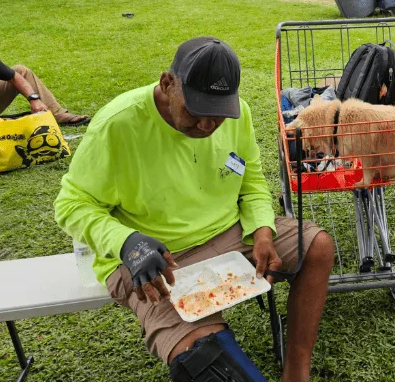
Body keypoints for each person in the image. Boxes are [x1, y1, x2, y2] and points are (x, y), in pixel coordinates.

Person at [54, 36, 334, 382]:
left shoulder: (237, 114)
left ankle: (296, 373)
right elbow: (71, 204)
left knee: (317, 246)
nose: (206, 125)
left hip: (229, 232)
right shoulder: (118, 124)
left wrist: (262, 229)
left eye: (217, 115)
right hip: (155, 257)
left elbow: (250, 180)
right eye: (196, 111)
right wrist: (127, 243)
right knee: (205, 364)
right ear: (167, 83)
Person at [0, 43, 90, 140]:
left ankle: (57, 114)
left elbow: (13, 76)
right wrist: (8, 127)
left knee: (20, 70)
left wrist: (34, 98)